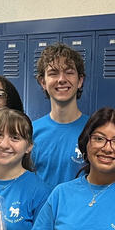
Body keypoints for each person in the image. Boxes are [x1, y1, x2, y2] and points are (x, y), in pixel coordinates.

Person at [31, 43, 87, 187]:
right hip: (41, 209)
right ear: (43, 82)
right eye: (53, 73)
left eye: (69, 72)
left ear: (80, 80)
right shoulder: (30, 132)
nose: (61, 79)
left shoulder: (94, 130)